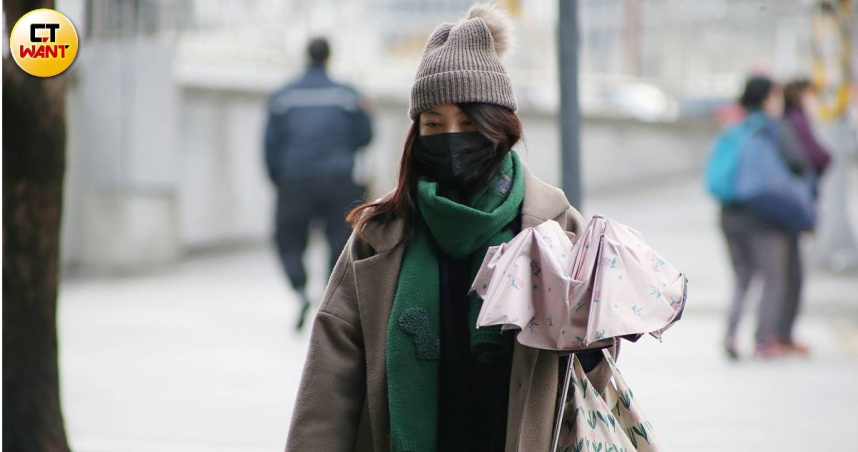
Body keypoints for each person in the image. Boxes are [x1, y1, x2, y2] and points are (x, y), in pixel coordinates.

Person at [285, 5, 619, 451]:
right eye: (434, 124)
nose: (452, 137)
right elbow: (328, 387)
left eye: (468, 123)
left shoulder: (556, 226)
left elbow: (597, 372)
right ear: (416, 134)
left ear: (499, 127)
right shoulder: (380, 236)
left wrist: (589, 337)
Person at [264, 37, 373, 331]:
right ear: (328, 57)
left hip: (294, 178)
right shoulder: (346, 95)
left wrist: (280, 180)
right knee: (340, 241)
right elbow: (365, 136)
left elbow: (270, 144)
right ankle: (330, 300)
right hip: (338, 178)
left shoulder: (284, 96)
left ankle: (300, 290)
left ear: (306, 56)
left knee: (287, 238)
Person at [719, 76, 813, 360]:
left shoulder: (733, 129)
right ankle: (764, 340)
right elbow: (799, 163)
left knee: (743, 277)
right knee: (773, 278)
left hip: (730, 216)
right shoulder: (774, 128)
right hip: (766, 217)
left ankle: (731, 333)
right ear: (766, 99)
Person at [774, 79, 832, 355]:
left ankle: (777, 336)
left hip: (780, 208)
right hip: (788, 209)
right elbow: (817, 156)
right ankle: (779, 337)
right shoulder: (795, 121)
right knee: (789, 276)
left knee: (783, 275)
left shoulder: (782, 122)